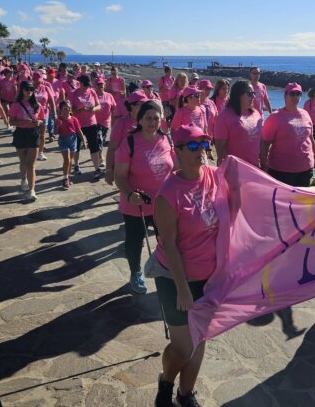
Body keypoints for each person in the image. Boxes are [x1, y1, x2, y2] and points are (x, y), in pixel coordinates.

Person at [153, 125, 219, 407]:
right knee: (183, 346)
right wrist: (182, 289)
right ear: (177, 151)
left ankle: (185, 393)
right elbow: (169, 244)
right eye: (192, 147)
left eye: (203, 145)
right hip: (174, 276)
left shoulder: (215, 175)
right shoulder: (168, 194)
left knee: (200, 340)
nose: (200, 152)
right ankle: (166, 382)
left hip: (209, 276)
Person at [114, 101, 175, 294]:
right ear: (140, 120)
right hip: (136, 205)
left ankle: (166, 270)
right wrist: (130, 194)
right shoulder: (130, 142)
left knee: (167, 241)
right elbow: (119, 176)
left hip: (162, 205)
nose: (152, 122)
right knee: (134, 242)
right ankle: (135, 272)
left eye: (156, 118)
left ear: (161, 120)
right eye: (147, 118)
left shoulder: (167, 140)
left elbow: (176, 168)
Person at [260, 82, 315, 187]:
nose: (295, 96)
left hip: (305, 169)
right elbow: (264, 144)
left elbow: (310, 139)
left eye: (298, 94)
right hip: (282, 171)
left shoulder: (305, 114)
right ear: (285, 95)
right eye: (292, 93)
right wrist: (264, 166)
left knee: (301, 202)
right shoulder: (275, 117)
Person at [8, 80, 46, 201]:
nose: (29, 92)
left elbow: (42, 119)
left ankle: (32, 190)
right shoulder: (16, 105)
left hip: (33, 134)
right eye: (26, 89)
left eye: (31, 90)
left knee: (31, 164)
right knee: (23, 162)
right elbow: (11, 121)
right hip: (20, 133)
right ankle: (23, 178)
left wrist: (39, 122)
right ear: (22, 91)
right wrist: (24, 122)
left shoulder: (37, 105)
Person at [214, 80, 263, 166]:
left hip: (254, 168)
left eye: (254, 93)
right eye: (250, 94)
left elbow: (260, 141)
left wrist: (263, 162)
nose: (253, 97)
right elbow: (220, 148)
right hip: (234, 170)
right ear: (238, 95)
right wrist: (229, 170)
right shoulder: (225, 116)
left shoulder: (256, 114)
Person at [105, 90, 147, 185]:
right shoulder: (121, 123)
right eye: (142, 104)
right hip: (126, 166)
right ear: (132, 105)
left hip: (145, 165)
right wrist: (108, 169)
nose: (145, 107)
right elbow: (112, 147)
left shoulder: (147, 121)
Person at [70, 74, 103, 179]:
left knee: (94, 145)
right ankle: (76, 165)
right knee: (77, 145)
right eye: (85, 85)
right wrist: (80, 110)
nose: (87, 87)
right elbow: (69, 110)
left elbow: (99, 106)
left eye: (88, 85)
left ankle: (97, 168)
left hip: (91, 122)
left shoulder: (92, 91)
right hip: (78, 123)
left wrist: (92, 109)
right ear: (80, 84)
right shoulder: (73, 93)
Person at [56, 100, 86, 189]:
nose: (68, 110)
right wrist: (57, 125)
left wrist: (83, 141)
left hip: (73, 139)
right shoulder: (59, 119)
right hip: (63, 140)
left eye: (69, 108)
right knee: (67, 159)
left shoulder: (74, 119)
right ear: (61, 109)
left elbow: (79, 131)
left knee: (70, 160)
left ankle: (67, 177)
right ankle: (65, 178)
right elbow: (55, 132)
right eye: (65, 108)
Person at [32, 72, 58, 158]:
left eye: (39, 81)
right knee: (33, 134)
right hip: (32, 115)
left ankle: (40, 152)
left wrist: (54, 112)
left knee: (42, 134)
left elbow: (51, 101)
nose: (38, 83)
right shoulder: (29, 89)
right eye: (36, 81)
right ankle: (32, 151)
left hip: (44, 114)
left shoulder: (46, 88)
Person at [94, 76, 116, 157]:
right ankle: (100, 157)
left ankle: (97, 153)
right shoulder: (93, 95)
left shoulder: (109, 96)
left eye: (102, 84)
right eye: (98, 84)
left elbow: (114, 109)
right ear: (96, 85)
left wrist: (114, 122)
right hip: (95, 122)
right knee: (98, 138)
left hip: (106, 122)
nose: (100, 86)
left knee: (102, 139)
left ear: (104, 85)